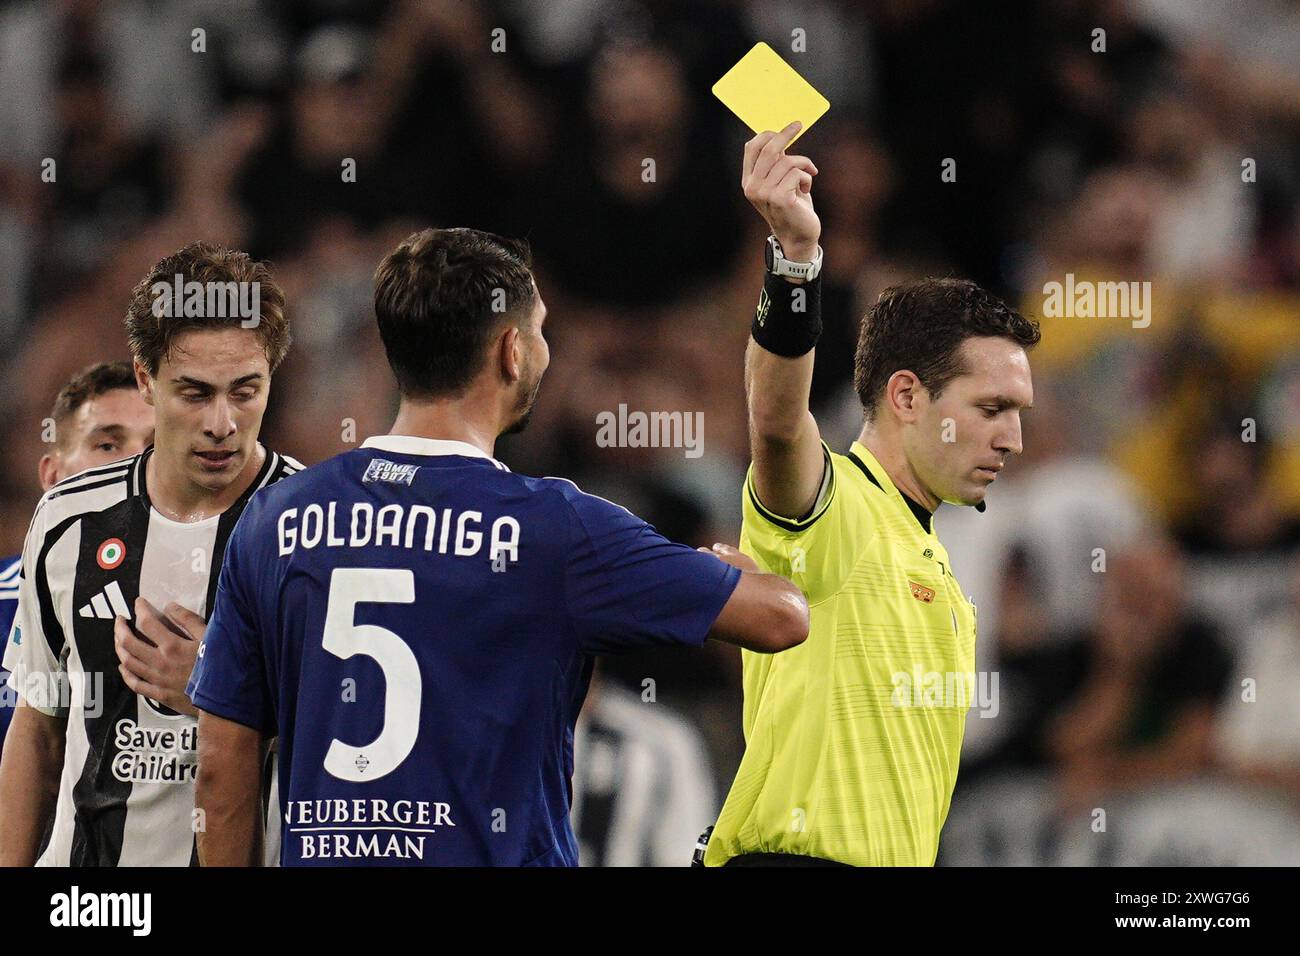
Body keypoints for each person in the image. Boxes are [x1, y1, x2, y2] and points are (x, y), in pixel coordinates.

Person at [187, 227, 809, 866]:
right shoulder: (556, 528)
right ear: (512, 350)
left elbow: (221, 763)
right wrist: (731, 568)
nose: (545, 348)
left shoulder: (273, 519)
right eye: (539, 329)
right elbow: (782, 617)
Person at [703, 123, 1040, 866]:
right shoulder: (839, 505)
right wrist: (795, 261)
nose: (1012, 439)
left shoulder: (939, 566)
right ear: (908, 397)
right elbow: (778, 424)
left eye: (1018, 414)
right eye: (991, 410)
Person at [0, 243, 301, 866]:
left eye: (245, 391)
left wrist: (218, 691)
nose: (222, 422)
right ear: (145, 379)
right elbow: (38, 724)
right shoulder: (66, 520)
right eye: (194, 393)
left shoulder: (312, 527)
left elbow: (354, 737)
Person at [0, 362, 155, 757]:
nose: (136, 464)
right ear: (53, 476)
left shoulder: (222, 597)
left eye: (155, 446)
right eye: (108, 445)